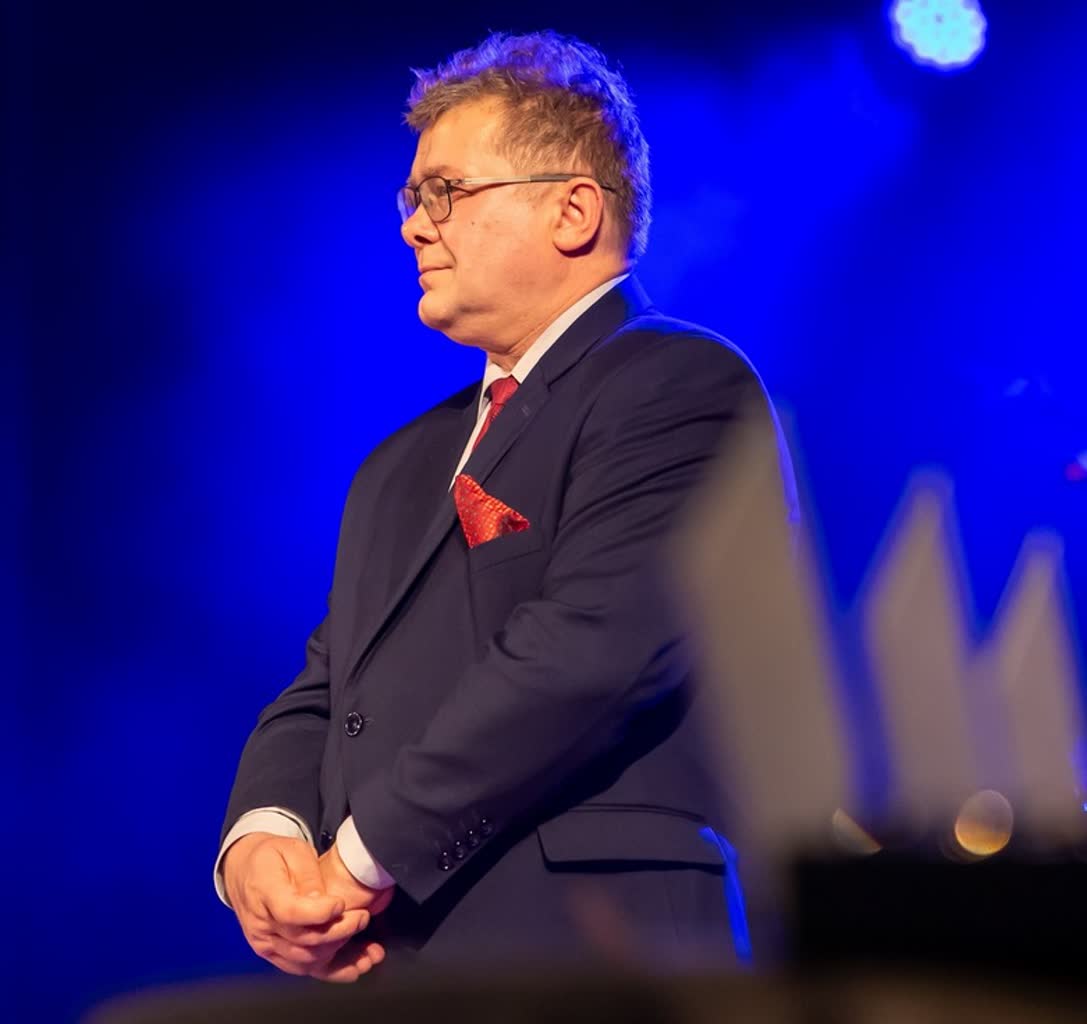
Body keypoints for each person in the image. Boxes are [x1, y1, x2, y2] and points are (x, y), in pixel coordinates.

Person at [215, 29, 794, 984]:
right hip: (400, 970)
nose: (414, 226)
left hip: (599, 961)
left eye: (445, 191)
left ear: (573, 210)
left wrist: (355, 860)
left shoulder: (679, 383)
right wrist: (262, 843)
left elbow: (587, 654)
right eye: (412, 199)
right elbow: (328, 686)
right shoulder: (397, 463)